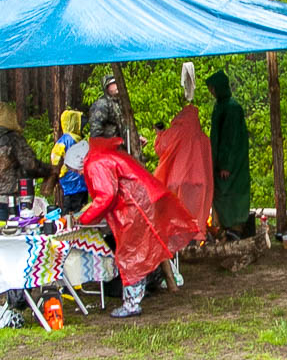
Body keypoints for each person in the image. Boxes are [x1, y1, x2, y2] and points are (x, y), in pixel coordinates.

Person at [77, 134, 203, 318]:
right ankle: (136, 298)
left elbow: (106, 195)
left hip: (134, 208)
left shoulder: (95, 163)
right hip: (141, 203)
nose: (79, 174)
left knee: (130, 256)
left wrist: (85, 218)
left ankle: (132, 304)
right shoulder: (106, 156)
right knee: (138, 253)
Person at [0, 102, 53, 221]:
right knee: (9, 229)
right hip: (9, 197)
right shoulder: (12, 138)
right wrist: (49, 170)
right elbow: (30, 165)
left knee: (0, 228)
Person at [206, 69, 252, 237]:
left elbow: (229, 139)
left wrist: (225, 164)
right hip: (220, 161)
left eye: (212, 88)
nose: (211, 92)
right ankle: (224, 228)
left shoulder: (232, 108)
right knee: (221, 194)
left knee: (230, 194)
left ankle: (235, 228)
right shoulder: (220, 105)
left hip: (231, 164)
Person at [48, 109, 89, 214]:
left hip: (72, 180)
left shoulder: (68, 139)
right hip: (77, 179)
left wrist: (58, 172)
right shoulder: (73, 139)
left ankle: (72, 220)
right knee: (79, 207)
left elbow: (55, 158)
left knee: (72, 207)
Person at [88, 74, 125, 141]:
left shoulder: (119, 104)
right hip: (106, 145)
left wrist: (137, 137)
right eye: (113, 83)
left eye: (117, 83)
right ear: (107, 87)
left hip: (119, 144)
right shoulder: (102, 104)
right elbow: (95, 129)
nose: (116, 85)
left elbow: (125, 126)